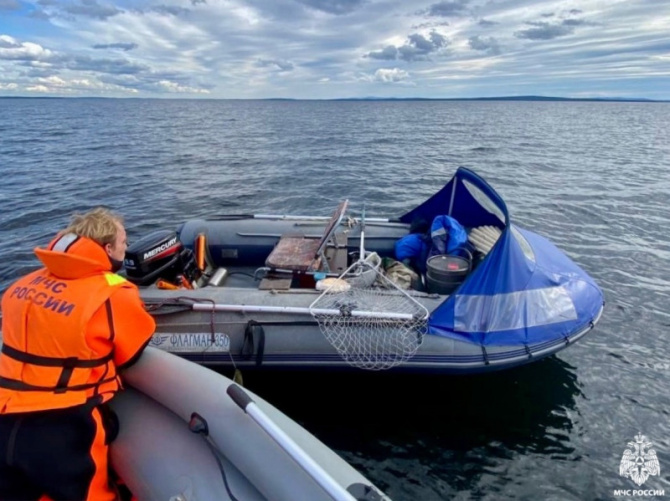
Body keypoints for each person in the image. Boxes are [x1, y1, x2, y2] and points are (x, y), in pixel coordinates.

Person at [0, 207, 156, 500]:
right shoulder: (113, 294)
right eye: (124, 242)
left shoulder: (22, 284)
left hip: (5, 412)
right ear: (108, 249)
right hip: (64, 424)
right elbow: (131, 354)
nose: (126, 248)